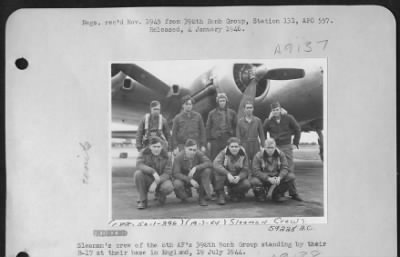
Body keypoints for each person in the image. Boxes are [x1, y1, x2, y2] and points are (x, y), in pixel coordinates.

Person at [263, 101, 302, 201]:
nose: (276, 111)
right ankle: (279, 192)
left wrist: (295, 142)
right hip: (275, 147)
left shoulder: (289, 118)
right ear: (271, 111)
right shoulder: (268, 121)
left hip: (286, 146)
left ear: (280, 109)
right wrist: (265, 145)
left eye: (277, 109)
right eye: (273, 110)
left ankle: (293, 193)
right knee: (277, 169)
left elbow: (297, 128)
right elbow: (262, 132)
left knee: (289, 169)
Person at [250, 138, 303, 202]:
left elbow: (285, 167)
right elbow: (255, 171)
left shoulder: (281, 154)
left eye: (272, 148)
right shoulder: (258, 155)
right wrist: (268, 178)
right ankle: (261, 194)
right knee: (254, 181)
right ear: (264, 147)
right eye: (268, 148)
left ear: (275, 147)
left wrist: (280, 177)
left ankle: (277, 194)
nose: (270, 150)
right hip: (264, 178)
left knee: (291, 176)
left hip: (276, 177)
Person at [134, 136, 174, 209]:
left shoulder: (167, 156)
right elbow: (139, 165)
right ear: (150, 147)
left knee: (168, 187)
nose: (156, 149)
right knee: (138, 174)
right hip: (149, 178)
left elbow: (167, 173)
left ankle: (160, 194)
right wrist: (153, 171)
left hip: (162, 180)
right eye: (154, 146)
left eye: (158, 146)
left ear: (162, 147)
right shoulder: (143, 152)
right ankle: (142, 200)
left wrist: (156, 182)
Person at [172, 139, 213, 206]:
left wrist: (196, 167)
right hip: (184, 179)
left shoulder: (198, 153)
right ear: (185, 148)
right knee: (177, 183)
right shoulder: (178, 157)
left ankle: (201, 197)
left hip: (196, 177)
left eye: (194, 150)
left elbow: (209, 163)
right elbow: (176, 173)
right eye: (190, 149)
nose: (192, 152)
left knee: (207, 171)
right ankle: (184, 195)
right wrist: (190, 180)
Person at [213, 137, 251, 205]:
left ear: (239, 147)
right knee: (218, 173)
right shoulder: (223, 153)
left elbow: (245, 169)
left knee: (246, 184)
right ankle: (220, 194)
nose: (234, 148)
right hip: (226, 177)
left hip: (237, 177)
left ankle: (234, 193)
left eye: (236, 146)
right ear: (228, 147)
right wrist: (227, 174)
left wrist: (239, 177)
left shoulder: (244, 154)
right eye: (232, 146)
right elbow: (215, 164)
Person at [206, 93, 237, 160]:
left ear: (226, 102)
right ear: (218, 102)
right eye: (220, 101)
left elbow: (235, 126)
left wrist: (234, 138)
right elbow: (208, 127)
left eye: (223, 101)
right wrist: (208, 140)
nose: (222, 103)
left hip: (228, 138)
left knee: (228, 157)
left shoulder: (232, 113)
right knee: (215, 158)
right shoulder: (212, 113)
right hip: (216, 139)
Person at [236, 101, 265, 166]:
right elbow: (238, 136)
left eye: (250, 108)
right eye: (247, 108)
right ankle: (247, 175)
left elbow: (261, 134)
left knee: (256, 162)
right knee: (245, 163)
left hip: (255, 144)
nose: (249, 109)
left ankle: (255, 175)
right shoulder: (240, 122)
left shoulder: (258, 120)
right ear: (244, 109)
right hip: (245, 144)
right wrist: (239, 146)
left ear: (253, 109)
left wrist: (263, 146)